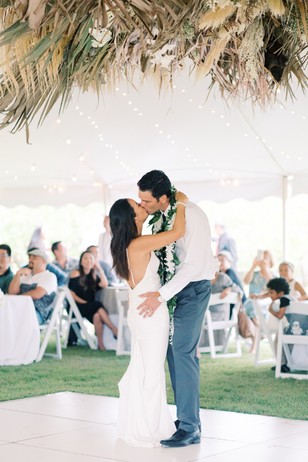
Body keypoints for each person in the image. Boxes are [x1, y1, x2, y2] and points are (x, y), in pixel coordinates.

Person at [136, 170, 217, 448]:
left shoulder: (191, 214)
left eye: (146, 201)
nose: (142, 206)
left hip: (193, 289)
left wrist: (159, 295)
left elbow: (194, 265)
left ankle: (190, 427)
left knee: (182, 351)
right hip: (174, 290)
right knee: (172, 350)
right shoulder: (161, 217)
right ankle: (186, 420)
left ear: (161, 197)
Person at [109, 190, 187, 447]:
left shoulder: (125, 246)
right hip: (151, 314)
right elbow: (176, 234)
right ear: (131, 217)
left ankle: (147, 421)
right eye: (137, 205)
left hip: (139, 312)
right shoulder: (139, 244)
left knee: (144, 368)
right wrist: (181, 205)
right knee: (152, 371)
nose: (142, 205)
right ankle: (152, 427)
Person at [68, 250, 118, 350]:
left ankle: (100, 344)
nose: (88, 261)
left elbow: (104, 284)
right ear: (81, 261)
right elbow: (72, 295)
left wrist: (100, 269)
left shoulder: (94, 276)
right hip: (77, 306)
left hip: (91, 307)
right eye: (85, 258)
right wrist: (85, 303)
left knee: (97, 315)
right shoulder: (75, 274)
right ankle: (114, 329)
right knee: (97, 305)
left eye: (91, 258)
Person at [8, 248, 57, 324]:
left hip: (37, 313)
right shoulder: (25, 275)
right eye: (29, 257)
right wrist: (18, 274)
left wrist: (14, 299)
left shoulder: (49, 276)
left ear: (43, 261)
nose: (30, 259)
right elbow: (12, 292)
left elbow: (36, 294)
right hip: (19, 309)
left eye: (34, 257)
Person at [266, 277, 293, 373]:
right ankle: (284, 364)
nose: (269, 295)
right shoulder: (290, 298)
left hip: (288, 327)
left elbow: (280, 315)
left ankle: (281, 364)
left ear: (280, 293)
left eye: (272, 292)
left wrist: (271, 310)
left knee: (277, 343)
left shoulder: (284, 299)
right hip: (293, 327)